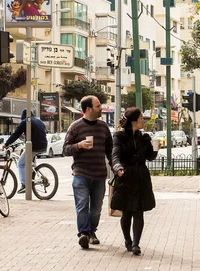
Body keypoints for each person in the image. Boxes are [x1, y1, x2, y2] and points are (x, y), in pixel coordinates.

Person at [63, 96, 113, 249]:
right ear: (89, 109)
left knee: (96, 209)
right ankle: (84, 233)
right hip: (81, 173)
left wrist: (116, 167)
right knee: (82, 204)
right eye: (98, 106)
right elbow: (65, 149)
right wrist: (79, 145)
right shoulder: (75, 127)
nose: (101, 108)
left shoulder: (103, 127)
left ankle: (92, 231)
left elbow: (110, 151)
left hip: (99, 175)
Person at [111, 107, 158, 256]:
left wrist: (155, 149)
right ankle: (128, 240)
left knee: (139, 211)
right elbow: (115, 155)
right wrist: (118, 167)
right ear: (133, 121)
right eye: (141, 118)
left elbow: (150, 157)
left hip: (141, 177)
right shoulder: (119, 137)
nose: (143, 120)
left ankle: (136, 244)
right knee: (127, 212)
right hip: (125, 176)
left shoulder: (143, 137)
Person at [4, 109, 48, 194]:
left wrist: (6, 144)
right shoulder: (39, 121)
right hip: (43, 146)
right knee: (30, 163)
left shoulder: (25, 122)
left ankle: (24, 185)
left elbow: (16, 134)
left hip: (33, 146)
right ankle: (33, 175)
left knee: (21, 164)